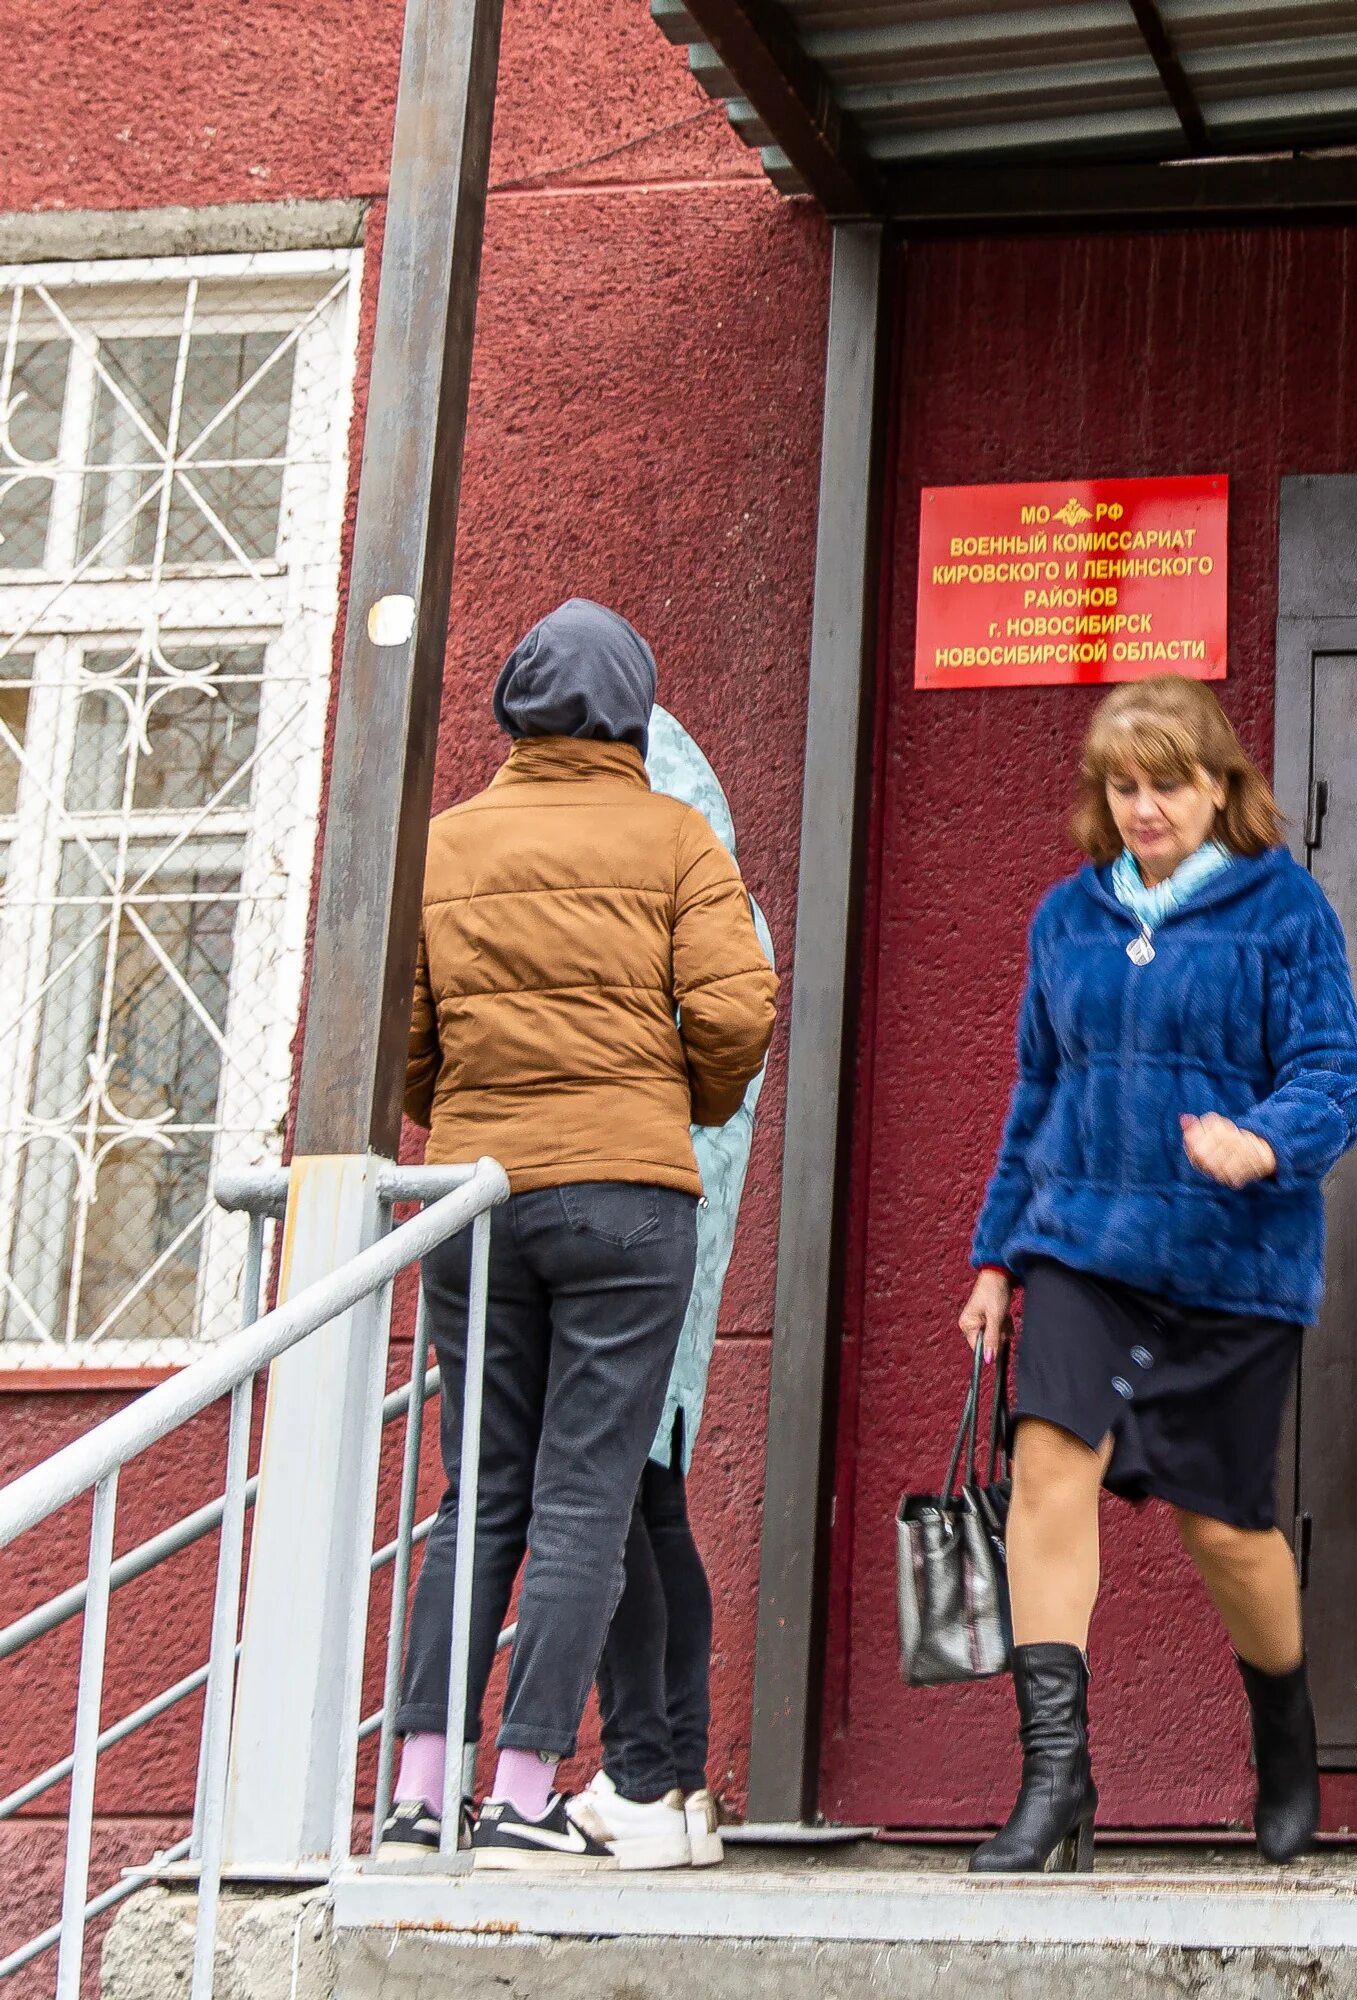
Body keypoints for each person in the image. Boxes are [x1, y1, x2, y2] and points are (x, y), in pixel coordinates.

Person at [955, 674, 1357, 1875]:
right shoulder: (1067, 918)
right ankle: (1054, 1781)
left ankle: (1286, 1739)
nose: (1144, 807)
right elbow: (1038, 1089)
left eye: (1169, 784)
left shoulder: (1282, 909)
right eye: (1123, 786)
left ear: (1221, 786)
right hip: (1085, 1246)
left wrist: (1265, 1137)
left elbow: (1338, 1071)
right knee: (1048, 1474)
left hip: (1233, 1265)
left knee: (1225, 1529)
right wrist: (995, 1253)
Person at [382, 601, 776, 1869]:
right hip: (626, 1200)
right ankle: (524, 1787)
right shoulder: (675, 834)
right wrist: (677, 1107)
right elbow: (737, 1012)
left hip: (474, 1199)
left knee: (477, 1491)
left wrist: (455, 1111)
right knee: (586, 1501)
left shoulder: (442, 843)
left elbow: (404, 1031)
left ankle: (419, 1784)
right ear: (633, 711)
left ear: (515, 706)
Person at [567, 707, 771, 1872]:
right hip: (679, 1234)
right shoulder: (720, 901)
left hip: (628, 1222)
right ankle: (679, 1779)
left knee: (601, 1495)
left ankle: (640, 1766)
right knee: (649, 1497)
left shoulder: (671, 912)